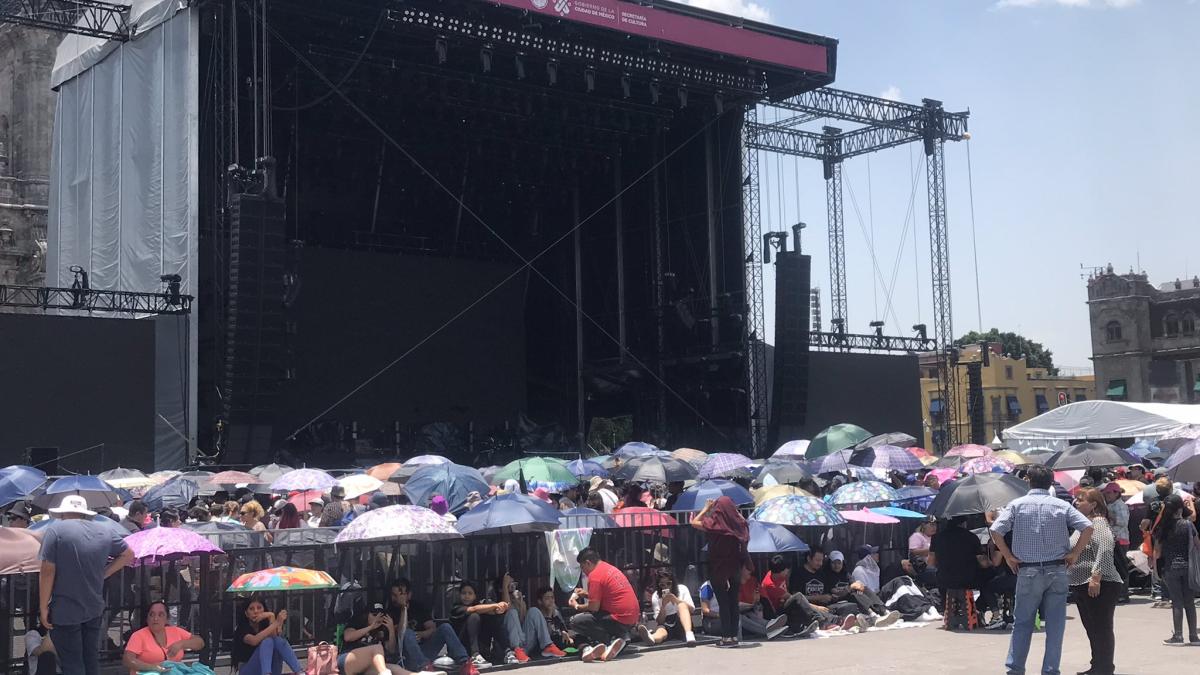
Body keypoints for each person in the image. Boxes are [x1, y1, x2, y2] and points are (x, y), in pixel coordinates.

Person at [990, 463, 1094, 675]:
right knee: (1055, 626)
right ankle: (1050, 670)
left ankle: (1015, 669)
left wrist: (1008, 556)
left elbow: (995, 530)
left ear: (1028, 479)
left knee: (1023, 623)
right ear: (1051, 482)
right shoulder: (1061, 505)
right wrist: (1074, 554)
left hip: (1028, 570)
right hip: (1057, 569)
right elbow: (1087, 527)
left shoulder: (1017, 505)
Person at [38, 495, 135, 675]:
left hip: (65, 609)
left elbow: (47, 570)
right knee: (90, 659)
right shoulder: (104, 530)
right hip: (93, 607)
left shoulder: (56, 530)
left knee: (72, 663)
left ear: (63, 512)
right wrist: (104, 573)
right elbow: (128, 554)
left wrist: (43, 607)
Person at [1069, 488, 1122, 675]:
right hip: (1081, 582)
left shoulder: (1098, 523)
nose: (1076, 502)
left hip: (1100, 583)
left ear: (1093, 504)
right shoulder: (1083, 524)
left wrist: (1096, 577)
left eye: (1081, 499)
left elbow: (1105, 548)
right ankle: (1097, 665)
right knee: (1092, 628)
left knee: (1101, 628)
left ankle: (1105, 668)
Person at [689, 497, 751, 647]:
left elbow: (694, 522)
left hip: (719, 568)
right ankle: (734, 636)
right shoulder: (740, 525)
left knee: (723, 602)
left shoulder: (716, 524)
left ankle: (726, 637)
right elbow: (742, 522)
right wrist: (735, 512)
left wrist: (706, 509)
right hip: (735, 566)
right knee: (733, 602)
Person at [390, 579, 476, 675]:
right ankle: (425, 667)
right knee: (407, 633)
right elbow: (401, 633)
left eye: (400, 594)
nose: (395, 598)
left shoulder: (418, 607)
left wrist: (422, 634)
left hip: (425, 649)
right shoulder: (391, 610)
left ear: (409, 595)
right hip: (407, 656)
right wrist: (403, 608)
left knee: (445, 627)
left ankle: (465, 663)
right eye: (393, 595)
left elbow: (432, 628)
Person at [568, 548, 636, 662]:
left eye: (582, 567)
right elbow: (608, 596)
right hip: (631, 618)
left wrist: (576, 606)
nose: (583, 571)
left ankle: (607, 641)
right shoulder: (609, 568)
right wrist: (586, 595)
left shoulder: (595, 576)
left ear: (588, 563)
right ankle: (622, 638)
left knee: (575, 621)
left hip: (617, 618)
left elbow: (594, 608)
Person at [342, 601, 442, 675]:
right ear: (366, 615)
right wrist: (370, 627)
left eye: (381, 615)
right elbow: (348, 637)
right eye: (374, 615)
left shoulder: (381, 630)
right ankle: (384, 672)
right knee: (377, 648)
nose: (378, 618)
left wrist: (390, 630)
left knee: (395, 668)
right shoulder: (357, 623)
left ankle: (417, 674)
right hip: (348, 660)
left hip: (368, 666)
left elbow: (391, 650)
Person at [1153, 493, 1200, 646]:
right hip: (1188, 567)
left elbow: (1157, 551)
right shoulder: (1187, 524)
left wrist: (1155, 569)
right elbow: (1197, 544)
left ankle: (1178, 636)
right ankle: (1194, 637)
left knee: (1177, 602)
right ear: (1180, 507)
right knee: (1190, 602)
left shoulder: (1163, 527)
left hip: (1170, 567)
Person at [698, 564, 788, 639]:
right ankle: (767, 632)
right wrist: (722, 615)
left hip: (726, 617)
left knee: (748, 613)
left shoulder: (726, 585)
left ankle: (770, 624)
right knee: (738, 618)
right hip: (712, 621)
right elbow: (705, 610)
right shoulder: (707, 586)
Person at [448, 580, 519, 667]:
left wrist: (499, 609)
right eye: (464, 593)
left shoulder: (479, 606)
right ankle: (475, 656)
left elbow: (489, 611)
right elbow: (474, 609)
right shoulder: (456, 608)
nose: (466, 596)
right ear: (459, 595)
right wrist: (495, 605)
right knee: (474, 616)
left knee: (492, 618)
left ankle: (508, 652)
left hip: (481, 647)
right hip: (462, 649)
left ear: (475, 596)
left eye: (470, 593)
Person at [122, 600, 205, 674]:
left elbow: (200, 643)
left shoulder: (175, 631)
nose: (155, 618)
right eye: (152, 615)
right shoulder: (138, 636)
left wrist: (181, 644)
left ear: (167, 619)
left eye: (160, 615)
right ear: (147, 618)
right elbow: (128, 660)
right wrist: (153, 667)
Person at [231, 596, 304, 675]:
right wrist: (276, 623)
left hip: (272, 669)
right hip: (248, 670)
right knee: (267, 641)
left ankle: (299, 671)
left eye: (259, 608)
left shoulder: (265, 624)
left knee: (278, 641)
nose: (256, 611)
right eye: (251, 609)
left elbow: (275, 637)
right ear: (246, 613)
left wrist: (271, 616)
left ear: (264, 610)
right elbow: (254, 641)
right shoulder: (242, 628)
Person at [636, 568, 697, 645]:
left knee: (682, 605)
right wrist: (663, 606)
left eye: (669, 583)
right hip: (667, 622)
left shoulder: (682, 589)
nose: (666, 587)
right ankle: (652, 638)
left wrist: (676, 601)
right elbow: (659, 621)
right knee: (661, 630)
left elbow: (691, 610)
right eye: (662, 585)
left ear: (673, 583)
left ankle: (689, 634)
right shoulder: (656, 596)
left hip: (682, 622)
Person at [1100, 482, 1131, 602]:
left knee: (1121, 567)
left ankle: (1123, 593)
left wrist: (1110, 517)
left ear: (1116, 493)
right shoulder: (1110, 505)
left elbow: (1123, 522)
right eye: (1106, 493)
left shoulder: (1120, 505)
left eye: (1109, 493)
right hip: (1112, 539)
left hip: (1120, 539)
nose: (1107, 495)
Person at [528, 587, 571, 656]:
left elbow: (563, 628)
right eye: (547, 598)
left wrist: (564, 631)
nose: (551, 601)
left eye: (552, 598)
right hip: (540, 648)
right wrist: (549, 613)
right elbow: (547, 635)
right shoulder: (537, 617)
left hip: (558, 644)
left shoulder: (556, 614)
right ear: (540, 601)